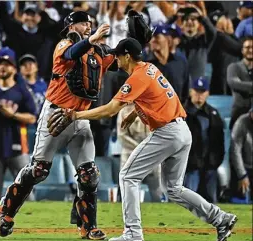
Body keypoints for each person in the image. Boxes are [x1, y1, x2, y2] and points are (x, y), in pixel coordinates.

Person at [47, 38, 238, 241]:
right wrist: (134, 113)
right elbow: (156, 95)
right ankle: (221, 219)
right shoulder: (150, 68)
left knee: (128, 176)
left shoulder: (136, 77)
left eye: (118, 55)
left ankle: (132, 233)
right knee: (173, 189)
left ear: (127, 55)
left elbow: (111, 110)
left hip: (167, 133)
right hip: (182, 131)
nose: (116, 59)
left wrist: (76, 115)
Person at [0, 11, 114, 240]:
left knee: (89, 174)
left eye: (89, 23)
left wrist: (135, 42)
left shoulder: (97, 53)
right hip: (56, 115)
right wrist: (91, 40)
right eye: (82, 23)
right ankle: (7, 211)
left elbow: (121, 59)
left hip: (79, 117)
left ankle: (88, 227)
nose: (87, 26)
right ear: (71, 26)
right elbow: (71, 53)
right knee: (38, 170)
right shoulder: (64, 44)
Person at [0, 47, 37, 200]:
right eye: (0, 63)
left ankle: (30, 222)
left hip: (17, 148)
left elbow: (33, 117)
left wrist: (14, 115)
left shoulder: (21, 90)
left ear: (14, 68)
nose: (3, 67)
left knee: (27, 194)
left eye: (7, 63)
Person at [184, 77, 225, 203]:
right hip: (190, 167)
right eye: (196, 91)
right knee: (190, 204)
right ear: (191, 92)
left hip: (210, 166)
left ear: (207, 93)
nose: (199, 95)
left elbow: (220, 141)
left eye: (202, 92)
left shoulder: (213, 113)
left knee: (211, 204)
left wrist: (215, 161)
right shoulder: (182, 113)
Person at [117, 104, 162, 202]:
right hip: (130, 155)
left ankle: (162, 214)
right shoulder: (124, 111)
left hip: (152, 154)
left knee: (157, 190)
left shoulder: (155, 108)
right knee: (129, 191)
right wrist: (140, 148)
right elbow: (122, 136)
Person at [227, 36, 253, 129]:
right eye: (247, 47)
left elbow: (241, 85)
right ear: (242, 50)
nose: (250, 50)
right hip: (239, 113)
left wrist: (244, 85)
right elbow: (234, 84)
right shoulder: (234, 67)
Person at [229, 106, 253, 202]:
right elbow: (235, 150)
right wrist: (242, 175)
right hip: (244, 167)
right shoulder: (242, 122)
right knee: (240, 199)